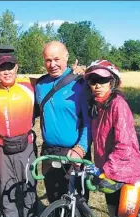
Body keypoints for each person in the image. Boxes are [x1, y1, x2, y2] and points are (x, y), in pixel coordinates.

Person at [83, 59, 140, 217]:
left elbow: (124, 146)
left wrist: (104, 170)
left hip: (129, 177)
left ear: (112, 82)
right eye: (92, 80)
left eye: (102, 80)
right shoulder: (97, 105)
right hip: (109, 176)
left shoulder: (118, 105)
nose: (97, 85)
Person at [35, 41, 92, 203]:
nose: (52, 64)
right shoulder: (40, 84)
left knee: (77, 202)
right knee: (54, 198)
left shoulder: (80, 83)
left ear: (66, 57)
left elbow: (89, 122)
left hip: (74, 152)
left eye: (56, 59)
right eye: (48, 60)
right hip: (49, 152)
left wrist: (81, 148)